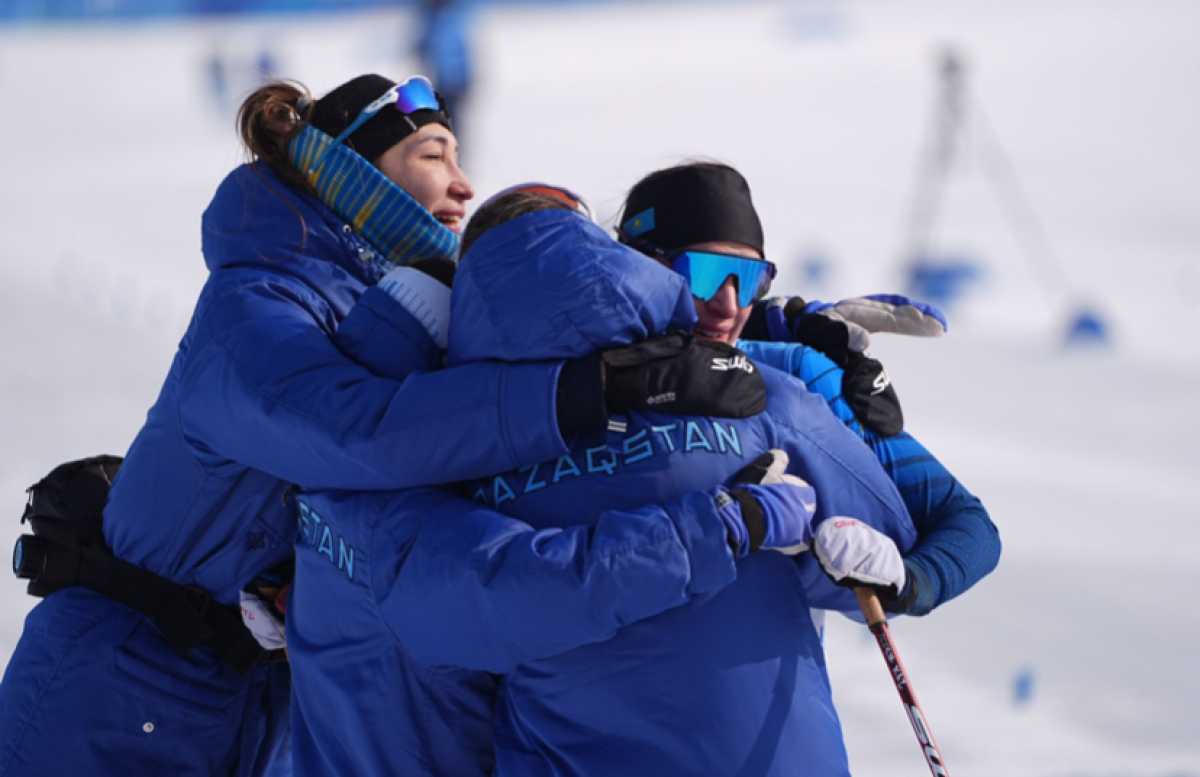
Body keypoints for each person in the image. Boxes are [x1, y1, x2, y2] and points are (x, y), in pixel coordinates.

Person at [0, 78, 762, 777]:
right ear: (353, 174)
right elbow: (362, 434)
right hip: (112, 690)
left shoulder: (406, 305)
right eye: (433, 155)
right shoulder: (252, 306)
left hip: (250, 708)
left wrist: (776, 338)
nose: (465, 184)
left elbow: (547, 333)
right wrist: (589, 393)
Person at [290, 189, 919, 776]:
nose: (727, 298)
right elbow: (895, 546)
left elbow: (461, 604)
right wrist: (740, 529)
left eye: (747, 281)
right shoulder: (754, 398)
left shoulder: (414, 444)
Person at [615, 161, 1001, 619]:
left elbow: (967, 524)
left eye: (749, 279)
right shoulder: (560, 378)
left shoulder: (801, 373)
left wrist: (910, 582)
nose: (729, 304)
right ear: (642, 268)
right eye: (705, 273)